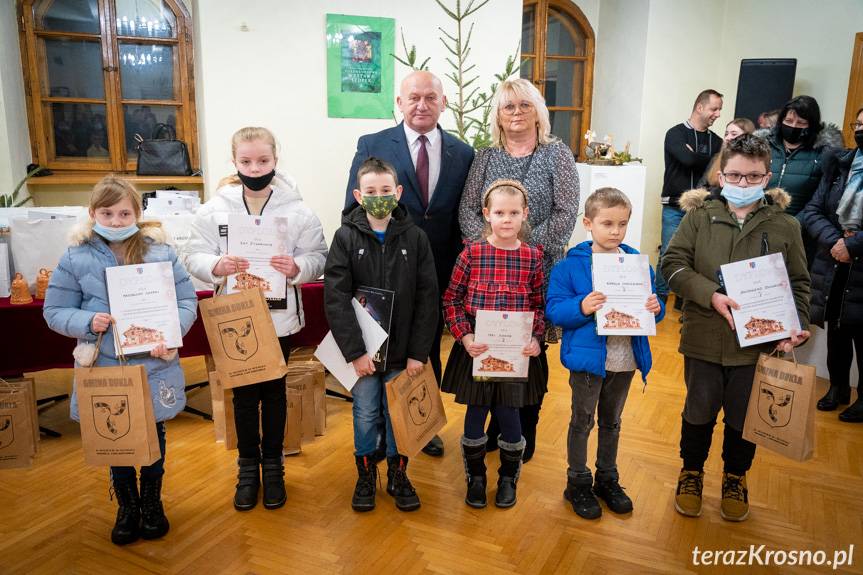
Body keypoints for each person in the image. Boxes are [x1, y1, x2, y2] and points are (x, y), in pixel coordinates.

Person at [661, 134, 811, 522]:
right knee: (699, 410)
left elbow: (799, 282)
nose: (743, 184)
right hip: (704, 336)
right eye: (735, 175)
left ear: (767, 176)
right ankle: (691, 471)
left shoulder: (785, 226)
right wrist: (710, 294)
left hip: (758, 345)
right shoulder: (698, 217)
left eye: (753, 177)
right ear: (721, 173)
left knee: (744, 416)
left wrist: (797, 323)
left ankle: (735, 477)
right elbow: (673, 265)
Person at [43, 175, 197, 545]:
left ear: (137, 214)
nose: (115, 221)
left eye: (124, 213)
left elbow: (186, 301)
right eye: (107, 213)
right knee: (117, 439)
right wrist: (85, 321)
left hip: (152, 364)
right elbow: (54, 310)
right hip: (105, 365)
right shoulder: (75, 256)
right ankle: (126, 505)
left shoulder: (161, 252)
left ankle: (151, 502)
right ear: (93, 213)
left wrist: (169, 332)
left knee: (154, 435)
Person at [183, 127, 327, 511]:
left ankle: (274, 465)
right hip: (235, 314)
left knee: (274, 393)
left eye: (263, 160)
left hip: (278, 316)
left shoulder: (297, 210)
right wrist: (217, 264)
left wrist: (298, 266)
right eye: (246, 161)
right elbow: (193, 254)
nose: (255, 167)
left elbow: (319, 257)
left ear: (275, 160)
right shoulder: (215, 208)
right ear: (235, 162)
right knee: (244, 395)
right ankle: (247, 467)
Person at [345, 70, 474, 458]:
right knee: (380, 349)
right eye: (413, 97)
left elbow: (461, 215)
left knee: (426, 346)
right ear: (399, 103)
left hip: (436, 268)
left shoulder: (462, 152)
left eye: (430, 97)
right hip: (380, 272)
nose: (422, 104)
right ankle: (381, 424)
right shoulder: (373, 144)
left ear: (443, 103)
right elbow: (351, 210)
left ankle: (422, 424)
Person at [458, 78, 579, 462]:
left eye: (524, 105)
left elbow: (566, 212)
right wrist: (491, 247)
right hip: (489, 271)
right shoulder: (486, 157)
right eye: (508, 106)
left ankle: (525, 430)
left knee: (529, 351)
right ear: (498, 113)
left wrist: (522, 248)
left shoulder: (556, 154)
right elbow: (467, 210)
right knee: (493, 346)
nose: (516, 113)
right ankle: (495, 428)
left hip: (537, 268)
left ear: (537, 111)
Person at [326, 157, 439, 512]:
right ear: (359, 195)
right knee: (364, 413)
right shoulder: (345, 237)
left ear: (398, 192)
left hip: (404, 351)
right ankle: (365, 474)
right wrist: (355, 352)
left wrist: (419, 353)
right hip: (363, 355)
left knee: (398, 415)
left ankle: (398, 474)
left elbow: (427, 298)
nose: (379, 197)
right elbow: (336, 297)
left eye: (386, 191)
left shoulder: (416, 238)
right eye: (371, 191)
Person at [546, 188, 665, 519]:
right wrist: (582, 306)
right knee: (582, 421)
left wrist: (656, 308)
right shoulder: (569, 267)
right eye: (607, 223)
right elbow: (555, 311)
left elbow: (654, 310)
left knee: (612, 422)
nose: (615, 231)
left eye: (622, 224)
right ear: (588, 223)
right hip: (587, 362)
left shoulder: (637, 264)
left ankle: (607, 478)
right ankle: (578, 481)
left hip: (625, 359)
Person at [442, 179, 545, 508]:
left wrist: (536, 338)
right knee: (476, 414)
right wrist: (465, 336)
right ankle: (476, 477)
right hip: (477, 352)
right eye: (499, 212)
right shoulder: (471, 253)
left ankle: (507, 478)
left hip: (516, 355)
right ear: (487, 214)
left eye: (514, 213)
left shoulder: (532, 257)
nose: (506, 219)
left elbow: (539, 305)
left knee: (510, 414)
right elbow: (451, 301)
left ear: (524, 214)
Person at [799, 107, 863, 422]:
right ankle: (837, 388)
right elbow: (812, 210)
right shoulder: (840, 165)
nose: (861, 130)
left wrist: (853, 245)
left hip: (858, 259)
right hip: (834, 259)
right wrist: (837, 242)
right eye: (859, 124)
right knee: (836, 326)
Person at [655, 89, 724, 305]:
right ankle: (660, 297)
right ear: (700, 107)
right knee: (669, 252)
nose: (718, 114)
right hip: (675, 206)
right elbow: (687, 159)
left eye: (720, 109)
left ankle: (682, 302)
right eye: (714, 108)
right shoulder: (675, 133)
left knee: (696, 256)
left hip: (705, 207)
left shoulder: (717, 140)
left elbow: (717, 164)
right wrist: (708, 158)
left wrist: (699, 156)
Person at [766, 95, 844, 217]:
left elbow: (820, 201)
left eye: (801, 123)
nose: (794, 126)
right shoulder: (764, 147)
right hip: (759, 222)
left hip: (799, 227)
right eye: (789, 121)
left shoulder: (823, 154)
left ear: (812, 126)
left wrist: (794, 226)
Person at [698, 118, 756, 189]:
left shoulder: (756, 162)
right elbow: (702, 185)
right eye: (726, 134)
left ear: (747, 137)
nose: (728, 138)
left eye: (734, 134)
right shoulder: (717, 158)